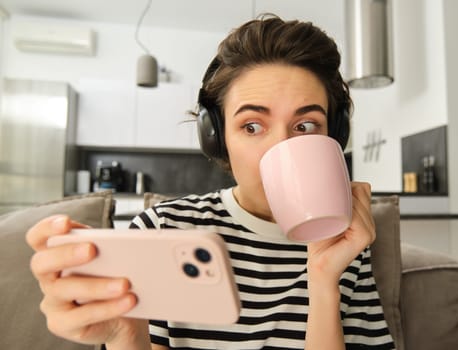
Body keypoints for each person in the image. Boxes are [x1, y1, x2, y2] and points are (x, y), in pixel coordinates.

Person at [26, 15, 395, 350]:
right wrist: (126, 335)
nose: (282, 148)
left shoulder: (345, 244)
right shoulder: (162, 231)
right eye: (252, 126)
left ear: (335, 134)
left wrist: (324, 282)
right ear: (217, 137)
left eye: (305, 126)